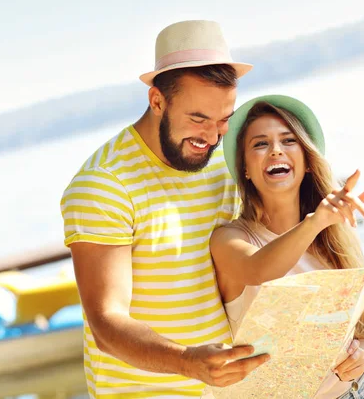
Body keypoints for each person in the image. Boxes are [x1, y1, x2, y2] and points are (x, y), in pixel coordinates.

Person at [59, 20, 269, 399]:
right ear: (157, 101)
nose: (211, 136)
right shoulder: (104, 185)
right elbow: (107, 322)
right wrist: (188, 361)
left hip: (230, 390)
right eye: (198, 119)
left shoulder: (225, 156)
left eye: (224, 119)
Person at [210, 95, 364, 398]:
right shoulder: (229, 239)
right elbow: (259, 270)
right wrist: (315, 222)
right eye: (260, 144)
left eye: (288, 140)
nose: (276, 149)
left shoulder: (335, 232)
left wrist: (360, 359)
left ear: (306, 162)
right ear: (246, 171)